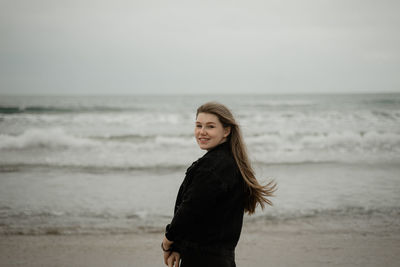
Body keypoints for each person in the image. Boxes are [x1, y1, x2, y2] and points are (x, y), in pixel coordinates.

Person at [161, 102, 276, 267]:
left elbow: (190, 209)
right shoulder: (229, 161)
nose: (202, 132)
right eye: (198, 125)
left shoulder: (213, 167)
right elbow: (202, 215)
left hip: (203, 260)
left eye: (210, 126)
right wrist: (178, 247)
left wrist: (168, 241)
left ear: (226, 131)